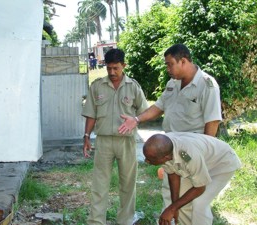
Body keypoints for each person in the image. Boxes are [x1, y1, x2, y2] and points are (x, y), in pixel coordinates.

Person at [118, 43, 222, 224]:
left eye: (169, 64)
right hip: (169, 152)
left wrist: (204, 158)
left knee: (192, 204)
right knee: (170, 198)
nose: (167, 69)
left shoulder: (207, 85)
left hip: (191, 155)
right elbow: (159, 107)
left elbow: (212, 123)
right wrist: (136, 120)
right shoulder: (172, 84)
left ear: (183, 61)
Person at [82, 48, 148, 225]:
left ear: (123, 66)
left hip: (126, 142)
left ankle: (125, 220)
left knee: (128, 184)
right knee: (99, 184)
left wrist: (135, 121)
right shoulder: (97, 86)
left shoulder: (133, 87)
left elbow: (144, 113)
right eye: (109, 68)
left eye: (116, 68)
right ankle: (96, 221)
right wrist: (86, 136)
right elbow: (91, 113)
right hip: (103, 141)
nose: (112, 72)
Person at [143, 133, 241, 225]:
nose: (146, 161)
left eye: (150, 159)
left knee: (200, 203)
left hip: (222, 163)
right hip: (202, 163)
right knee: (181, 202)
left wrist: (172, 209)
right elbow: (173, 174)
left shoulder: (187, 155)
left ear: (166, 157)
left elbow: (200, 187)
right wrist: (174, 206)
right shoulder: (163, 146)